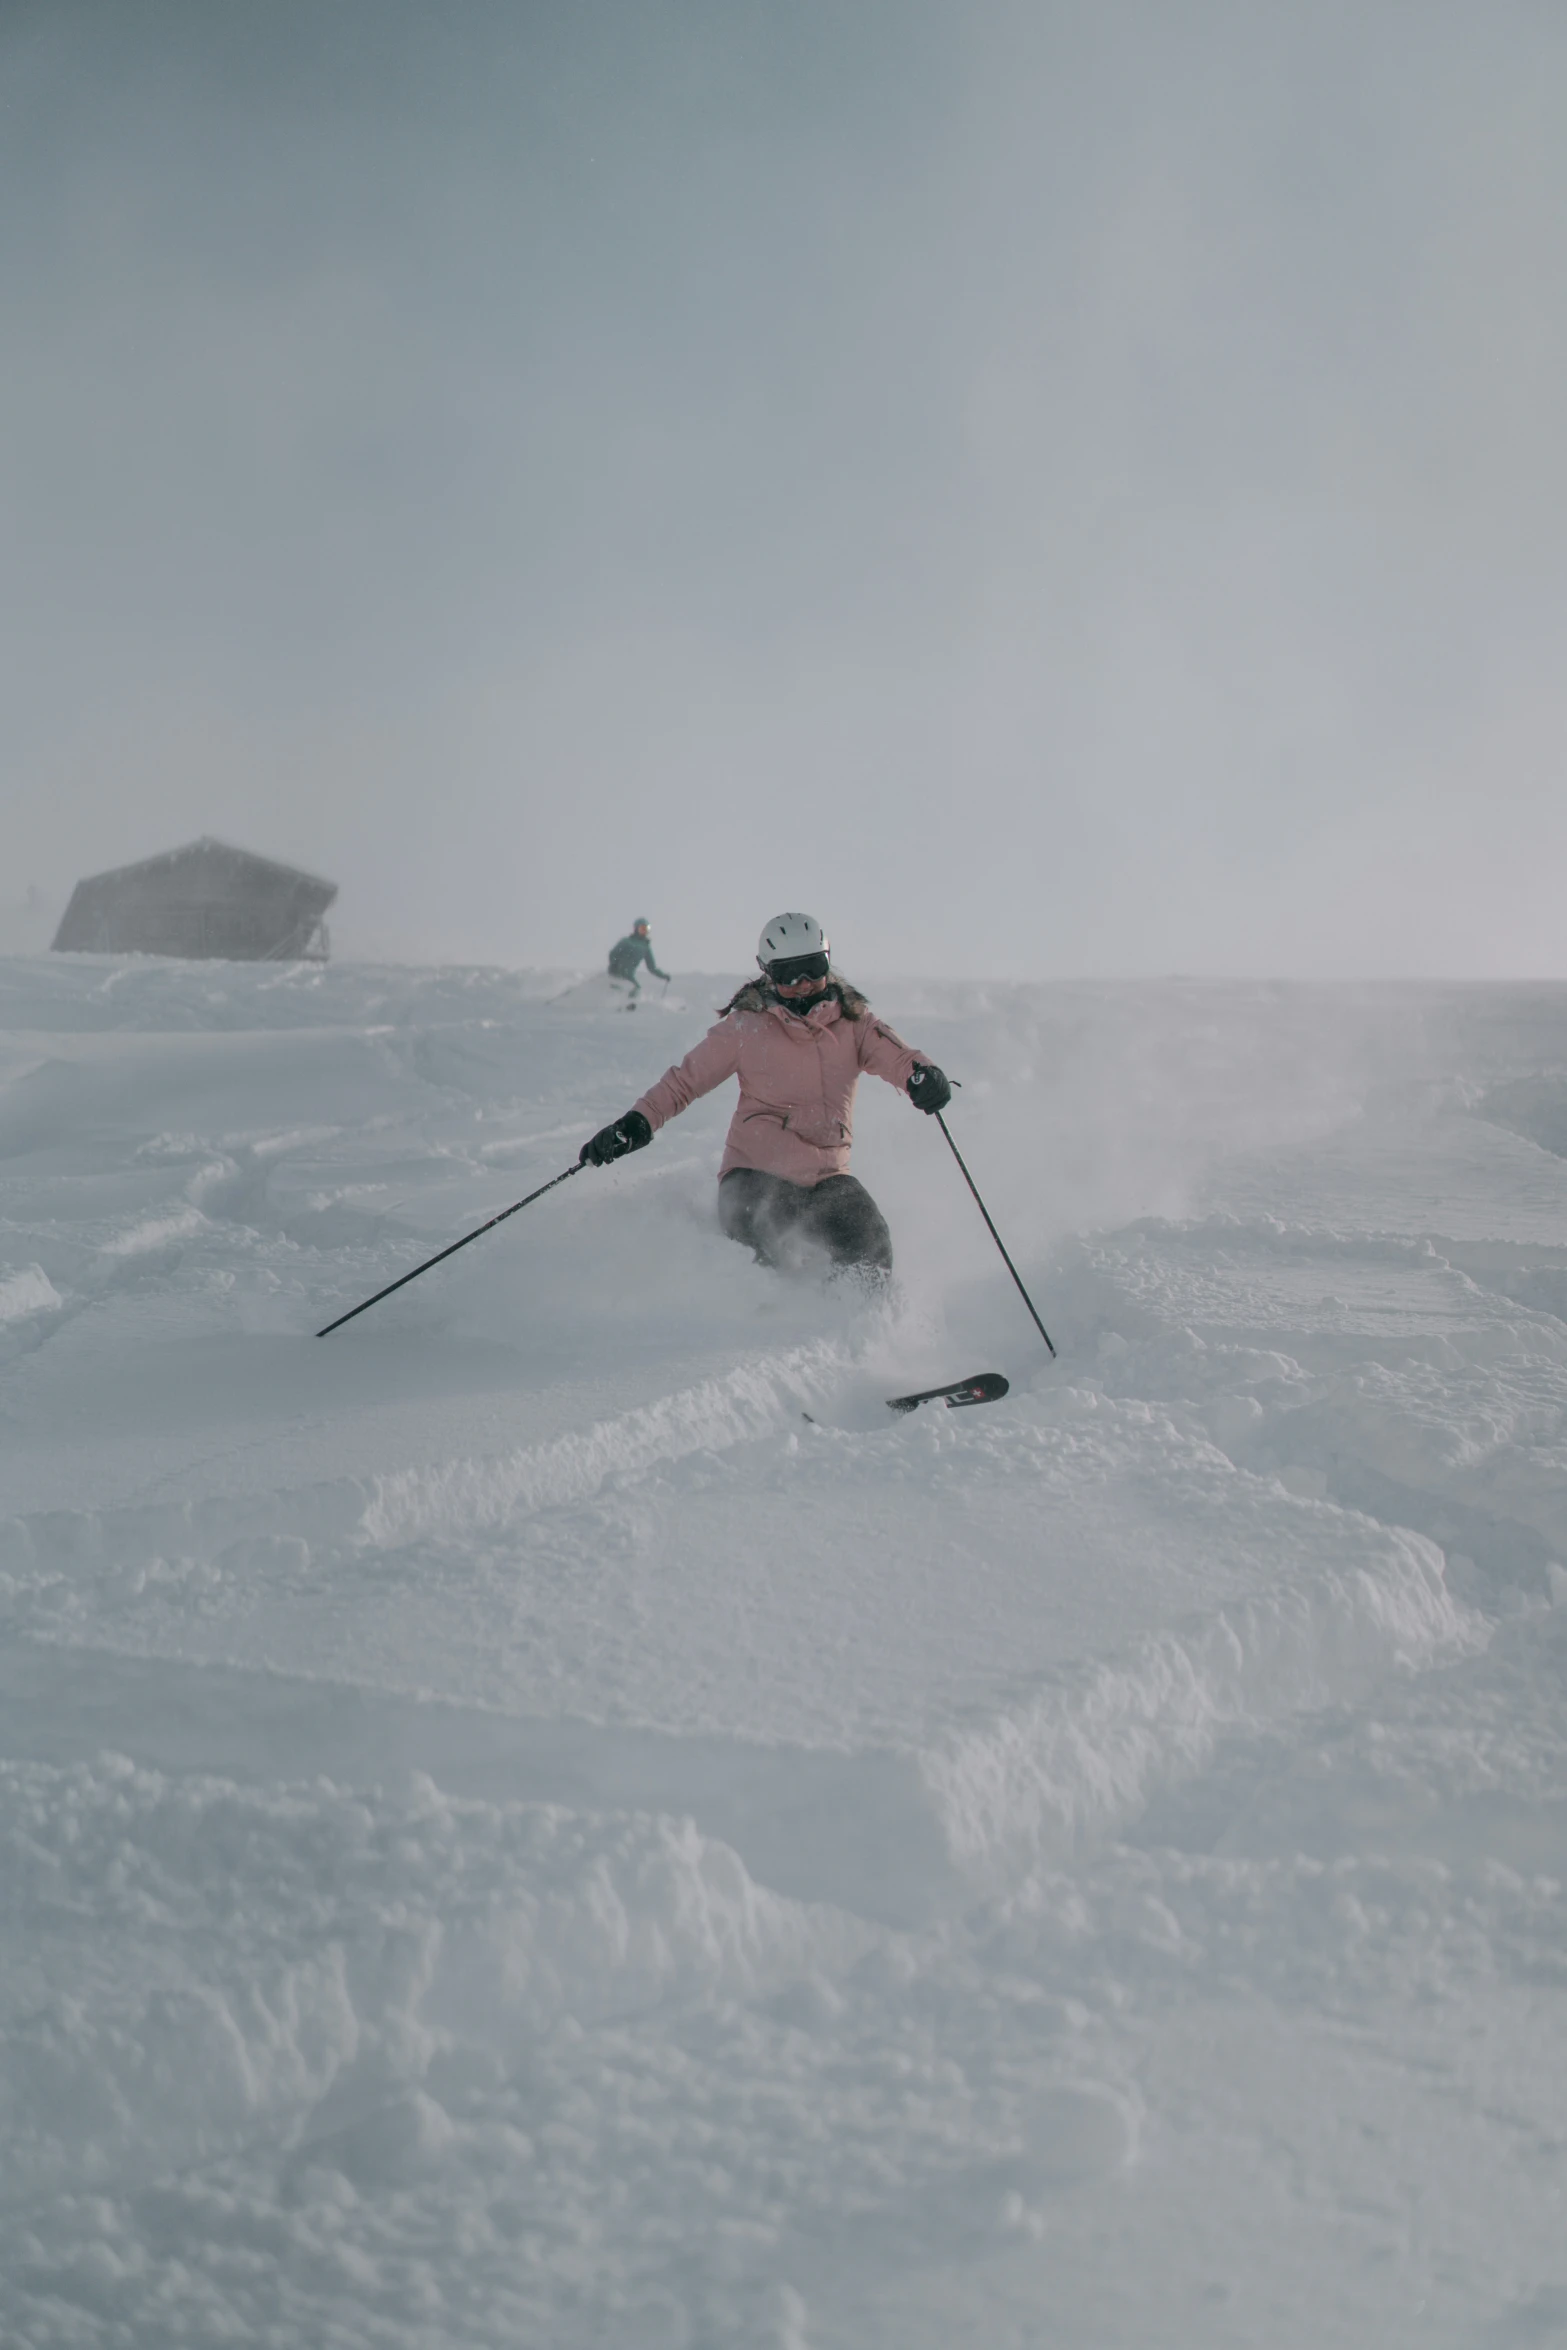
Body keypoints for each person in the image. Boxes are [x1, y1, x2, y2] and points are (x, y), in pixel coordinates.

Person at [578, 911, 951, 1276]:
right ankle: (762, 1329)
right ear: (768, 973)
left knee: (872, 1246)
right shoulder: (746, 1027)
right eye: (789, 974)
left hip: (827, 1179)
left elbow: (899, 1058)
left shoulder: (854, 1022)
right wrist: (637, 1123)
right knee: (762, 1244)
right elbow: (683, 1083)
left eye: (813, 969)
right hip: (753, 1176)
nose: (803, 983)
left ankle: (852, 1323)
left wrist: (923, 1077)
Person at [606, 918, 670, 1002]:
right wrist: (613, 965)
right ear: (636, 929)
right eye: (642, 929)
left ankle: (627, 1005)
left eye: (646, 929)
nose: (644, 931)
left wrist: (663, 976)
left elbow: (652, 967)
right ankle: (615, 1004)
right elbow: (613, 954)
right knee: (621, 988)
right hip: (617, 972)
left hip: (628, 975)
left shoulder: (645, 947)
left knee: (636, 988)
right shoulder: (626, 942)